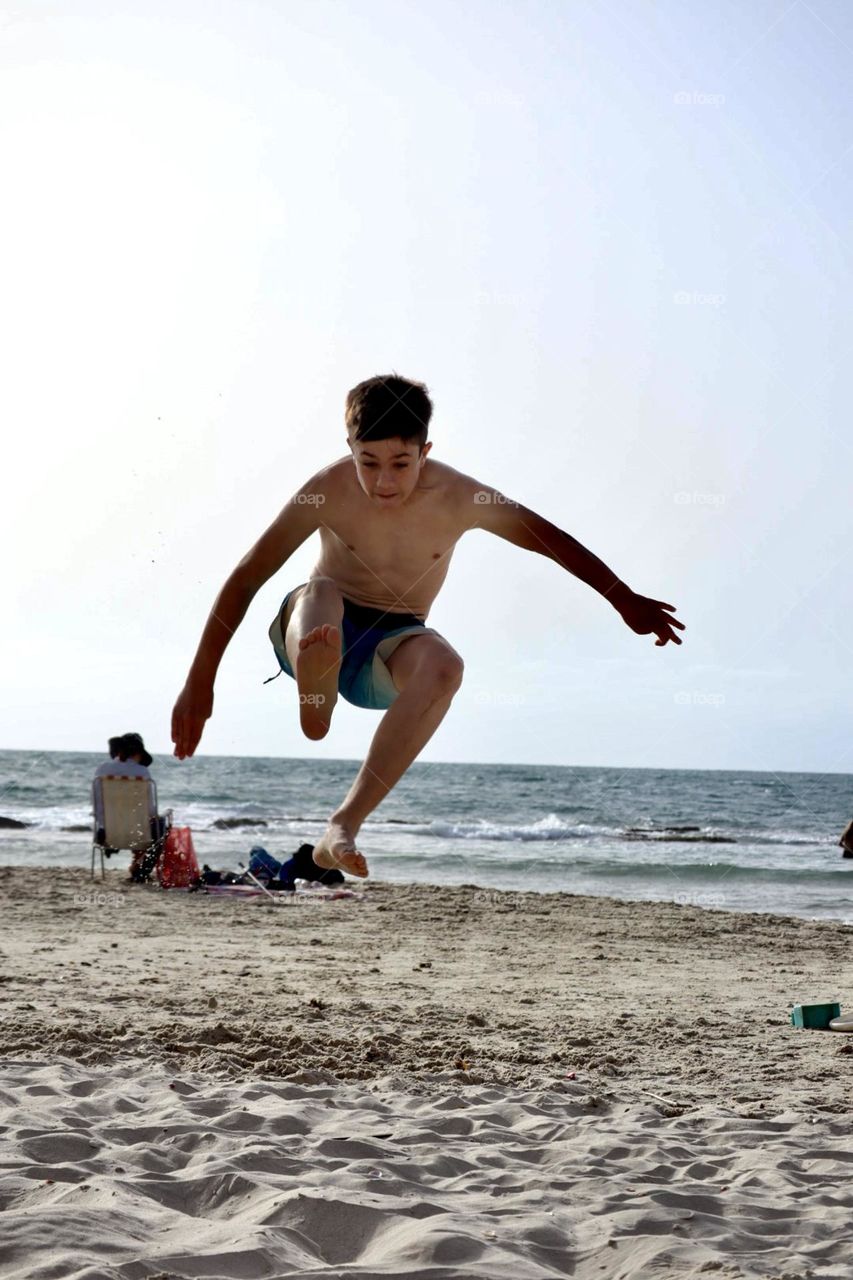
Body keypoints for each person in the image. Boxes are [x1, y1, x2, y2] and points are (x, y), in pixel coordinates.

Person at [171, 374, 685, 878]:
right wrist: (200, 681)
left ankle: (342, 826)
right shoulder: (325, 490)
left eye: (400, 463)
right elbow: (248, 576)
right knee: (323, 592)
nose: (383, 482)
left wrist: (624, 599)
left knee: (444, 666)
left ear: (425, 449)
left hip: (389, 648)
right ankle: (315, 697)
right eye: (367, 462)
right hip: (313, 623)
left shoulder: (462, 496)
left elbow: (548, 539)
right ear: (348, 445)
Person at [92, 733, 160, 880]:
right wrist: (157, 817)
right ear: (137, 753)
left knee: (135, 821)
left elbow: (96, 805)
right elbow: (150, 809)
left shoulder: (101, 770)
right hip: (139, 834)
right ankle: (139, 869)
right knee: (159, 825)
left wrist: (103, 825)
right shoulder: (142, 772)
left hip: (107, 835)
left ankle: (135, 864)